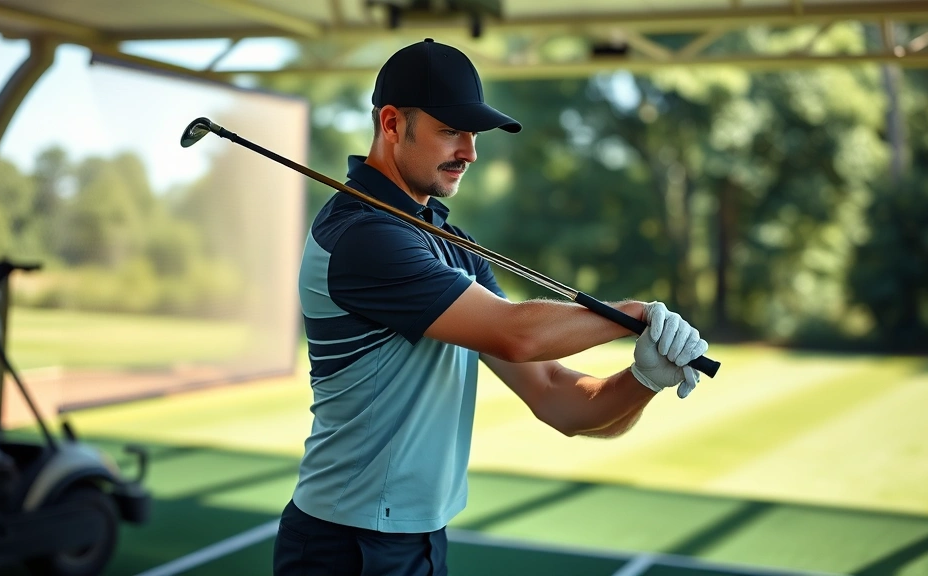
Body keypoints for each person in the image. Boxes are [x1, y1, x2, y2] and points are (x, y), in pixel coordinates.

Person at [273, 38, 709, 576]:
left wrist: (644, 377)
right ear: (390, 124)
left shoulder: (450, 243)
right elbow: (515, 334)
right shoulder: (364, 236)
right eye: (451, 130)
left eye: (473, 134)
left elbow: (557, 399)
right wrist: (635, 316)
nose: (471, 152)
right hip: (347, 545)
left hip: (418, 539)